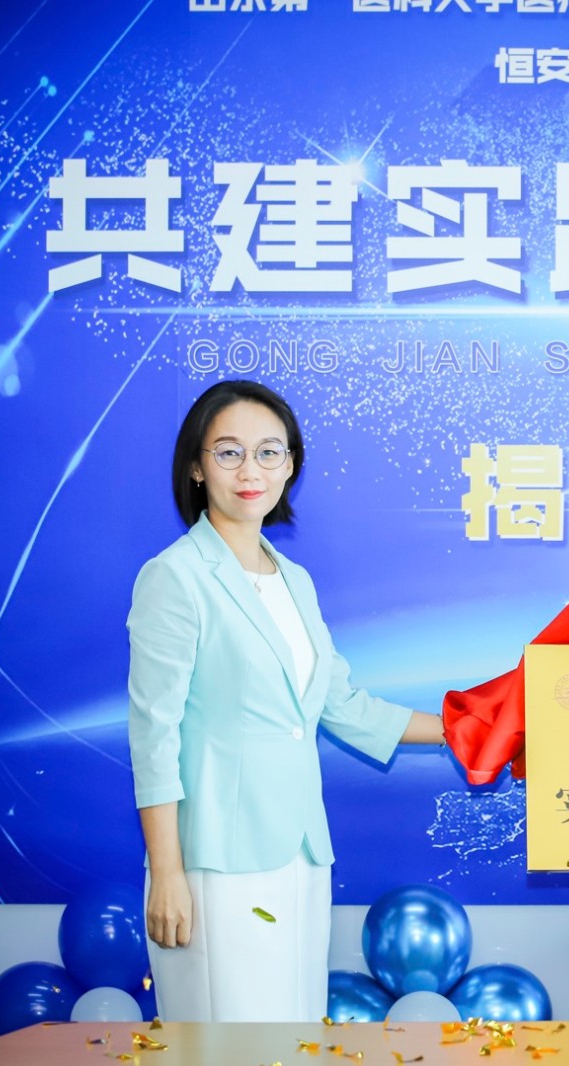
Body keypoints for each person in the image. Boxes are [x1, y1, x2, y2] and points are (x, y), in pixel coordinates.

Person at [127, 379, 444, 1022]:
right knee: (227, 1045)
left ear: (290, 465)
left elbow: (341, 705)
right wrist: (167, 872)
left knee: (294, 1035)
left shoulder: (294, 580)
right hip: (215, 862)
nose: (251, 471)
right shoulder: (175, 576)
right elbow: (154, 734)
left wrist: (472, 728)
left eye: (269, 452)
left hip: (301, 854)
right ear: (196, 466)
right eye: (229, 452)